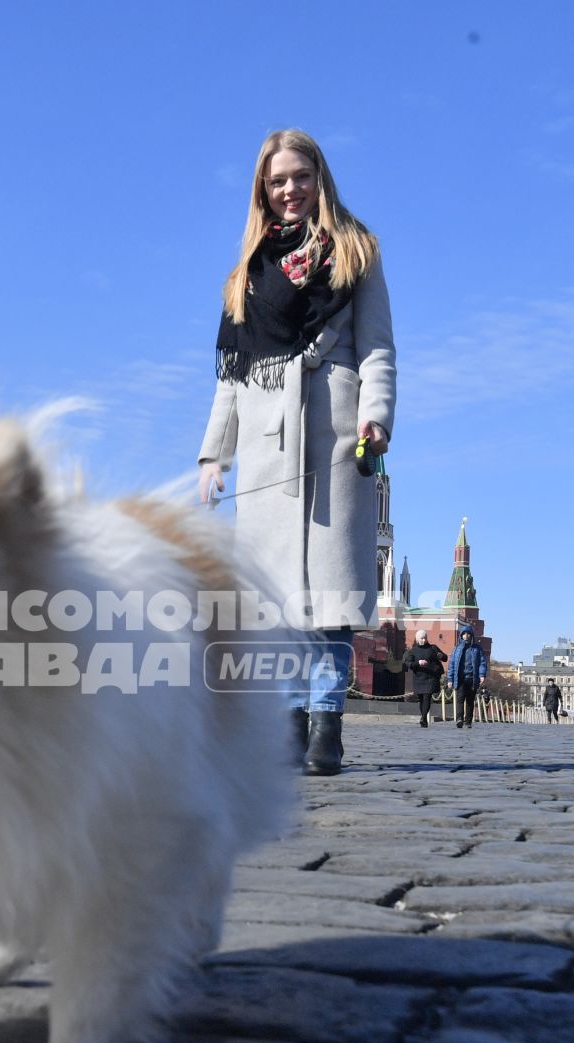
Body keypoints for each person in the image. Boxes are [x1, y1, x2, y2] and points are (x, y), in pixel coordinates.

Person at [197, 129, 394, 778]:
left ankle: (325, 728)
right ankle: (284, 726)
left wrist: (375, 420)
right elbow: (229, 374)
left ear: (320, 178)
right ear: (263, 189)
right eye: (277, 181)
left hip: (334, 431)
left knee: (332, 599)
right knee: (275, 600)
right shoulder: (245, 276)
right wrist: (213, 455)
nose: (290, 191)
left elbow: (376, 349)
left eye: (300, 177)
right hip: (264, 436)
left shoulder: (357, 251)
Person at [403, 630, 447, 727]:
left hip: (431, 677)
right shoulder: (413, 651)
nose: (423, 640)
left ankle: (423, 718)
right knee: (421, 698)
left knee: (427, 696)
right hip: (419, 677)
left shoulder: (433, 648)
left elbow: (445, 658)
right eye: (421, 638)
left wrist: (441, 655)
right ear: (417, 639)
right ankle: (424, 718)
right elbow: (409, 664)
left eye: (425, 638)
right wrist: (418, 663)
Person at [446, 624, 487, 728]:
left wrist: (482, 674)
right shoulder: (457, 649)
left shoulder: (477, 649)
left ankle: (468, 721)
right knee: (460, 699)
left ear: (471, 635)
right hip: (460, 678)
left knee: (470, 700)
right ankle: (459, 719)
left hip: (472, 678)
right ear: (461, 635)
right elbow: (452, 664)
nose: (466, 636)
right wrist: (450, 679)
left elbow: (482, 662)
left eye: (468, 634)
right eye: (464, 634)